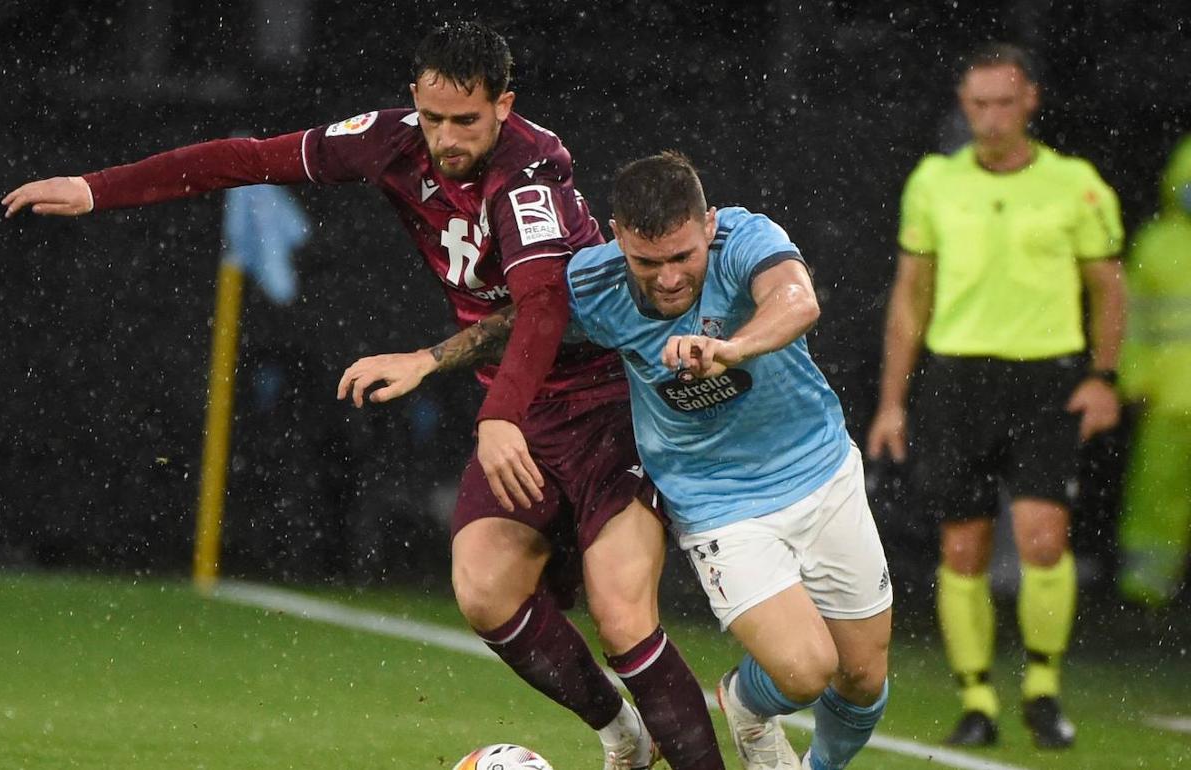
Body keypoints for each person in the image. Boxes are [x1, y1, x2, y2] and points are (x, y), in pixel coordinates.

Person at [2, 22, 724, 770]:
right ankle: (623, 737)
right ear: (414, 98)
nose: (447, 137)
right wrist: (99, 187)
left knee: (622, 616)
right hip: (518, 404)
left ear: (504, 107)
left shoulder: (530, 174)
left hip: (607, 400)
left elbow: (544, 306)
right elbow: (250, 160)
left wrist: (495, 412)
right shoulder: (389, 141)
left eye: (467, 121)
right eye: (434, 116)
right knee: (484, 590)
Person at [361, 151, 894, 770]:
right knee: (805, 671)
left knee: (862, 681)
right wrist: (428, 359)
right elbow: (522, 323)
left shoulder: (747, 236)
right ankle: (747, 703)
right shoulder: (596, 284)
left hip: (821, 470)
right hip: (716, 503)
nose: (668, 278)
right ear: (616, 238)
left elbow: (797, 300)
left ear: (709, 225)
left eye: (682, 258)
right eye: (647, 261)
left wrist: (731, 347)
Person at [866, 43, 1125, 749]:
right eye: (977, 104)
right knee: (963, 550)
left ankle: (1042, 688)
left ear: (1030, 101)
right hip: (957, 381)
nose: (990, 118)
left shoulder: (1076, 184)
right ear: (963, 104)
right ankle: (977, 700)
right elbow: (910, 296)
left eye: (1004, 103)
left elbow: (1109, 287)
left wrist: (1103, 377)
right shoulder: (934, 183)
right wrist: (893, 401)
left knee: (1045, 541)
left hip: (1046, 378)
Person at [1117, 134, 1191, 608]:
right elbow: (1133, 320)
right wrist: (1134, 377)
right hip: (1167, 395)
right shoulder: (1157, 242)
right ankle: (1148, 588)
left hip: (1171, 390)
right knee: (1155, 494)